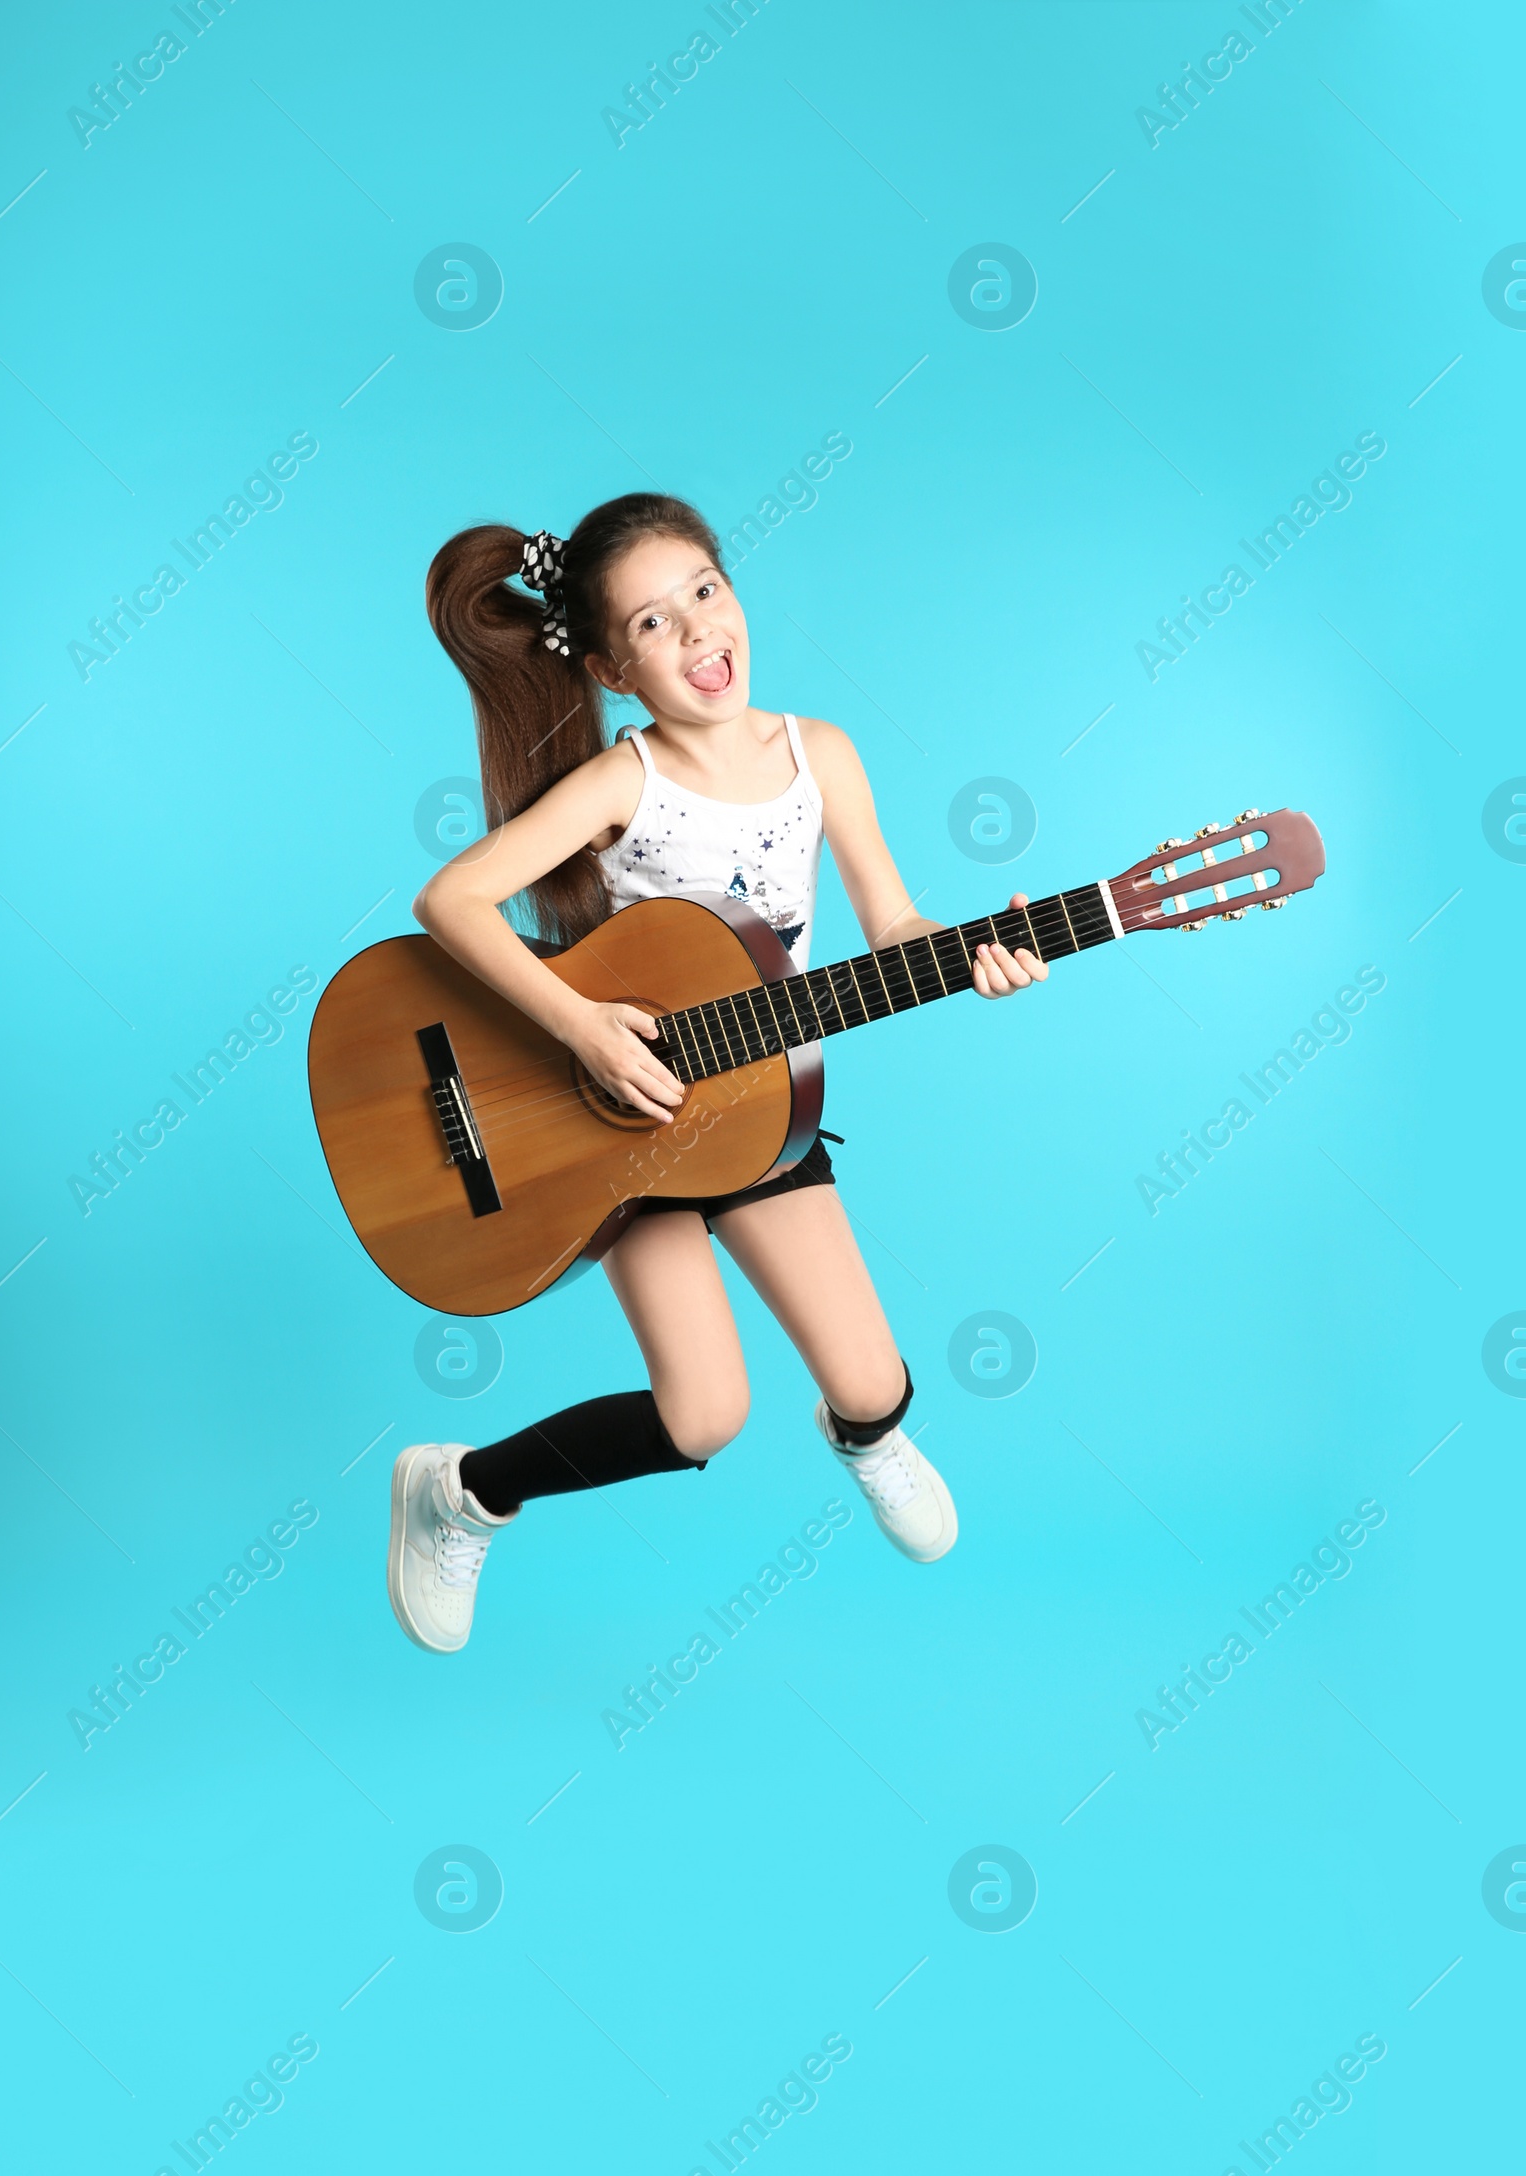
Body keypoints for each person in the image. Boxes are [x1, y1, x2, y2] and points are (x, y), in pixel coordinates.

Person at [387, 494, 1046, 1652]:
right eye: (650, 623)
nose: (696, 631)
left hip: (760, 1113)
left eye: (703, 589)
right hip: (624, 1134)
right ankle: (464, 1488)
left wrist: (970, 951)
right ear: (610, 666)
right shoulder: (621, 782)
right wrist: (587, 1028)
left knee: (874, 1387)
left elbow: (890, 920)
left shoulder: (817, 753)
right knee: (704, 1418)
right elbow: (449, 901)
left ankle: (869, 1437)